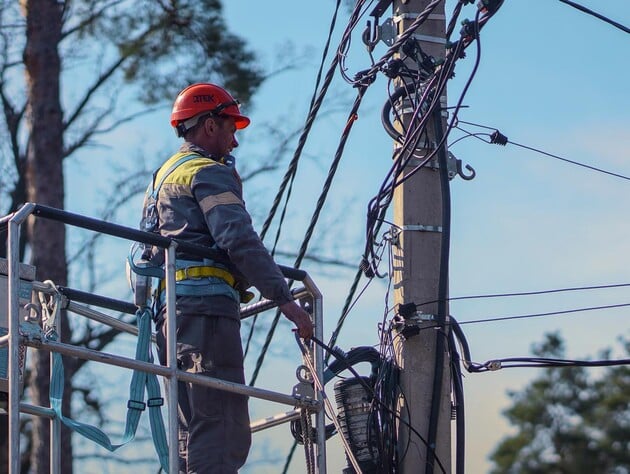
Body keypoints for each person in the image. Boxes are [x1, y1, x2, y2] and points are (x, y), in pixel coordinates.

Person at [146, 83, 314, 474]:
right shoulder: (206, 172)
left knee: (194, 430)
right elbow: (237, 239)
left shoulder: (164, 176)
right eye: (230, 128)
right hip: (205, 313)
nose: (234, 142)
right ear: (208, 125)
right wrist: (284, 299)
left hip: (172, 315)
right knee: (222, 426)